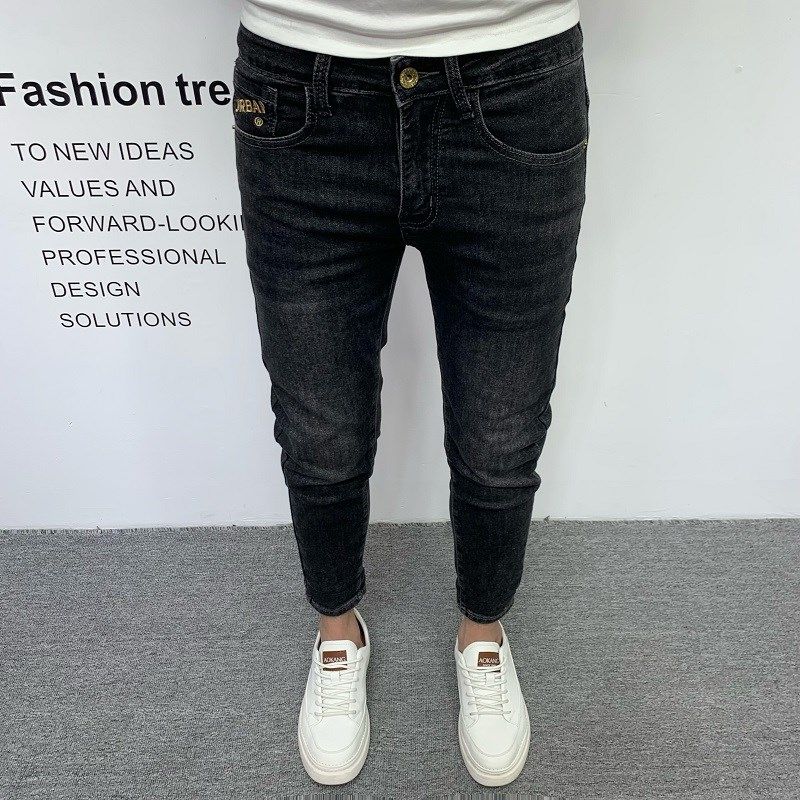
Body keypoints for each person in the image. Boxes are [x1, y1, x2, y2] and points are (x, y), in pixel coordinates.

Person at [231, 0, 589, 787]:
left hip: (516, 74)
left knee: (501, 430)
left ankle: (482, 635)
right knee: (320, 426)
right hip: (300, 81)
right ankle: (338, 632)